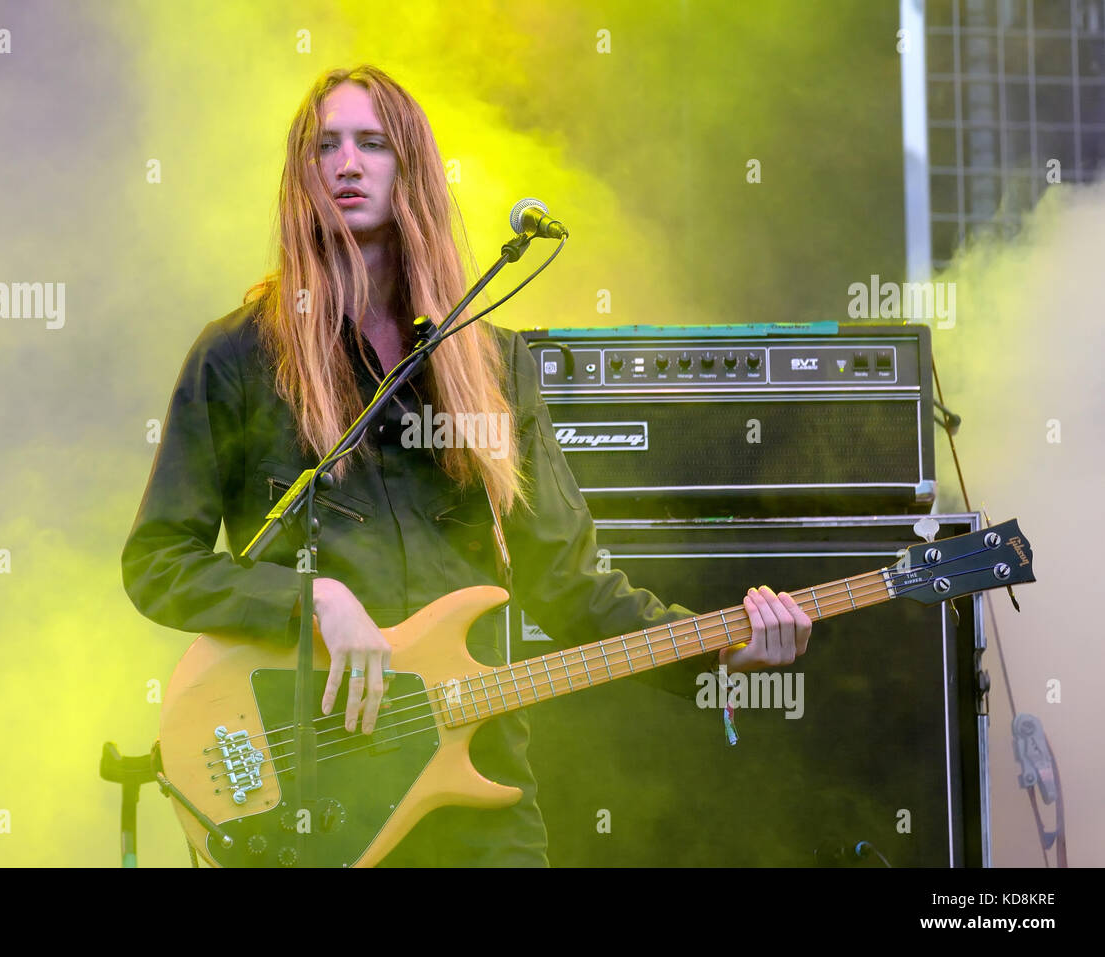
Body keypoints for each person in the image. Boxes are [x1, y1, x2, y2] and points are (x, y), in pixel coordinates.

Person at [121, 64, 813, 866]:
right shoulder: (238, 357)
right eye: (326, 146)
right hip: (309, 790)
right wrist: (314, 599)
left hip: (474, 786)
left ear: (411, 168)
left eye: (373, 144)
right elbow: (157, 563)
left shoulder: (490, 365)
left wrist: (720, 648)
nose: (347, 164)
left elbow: (571, 585)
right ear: (300, 177)